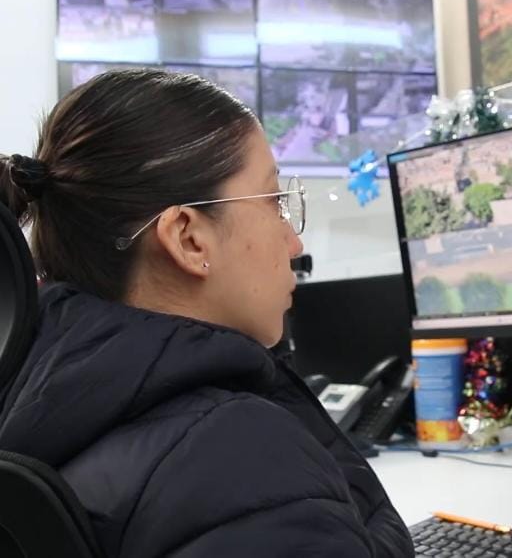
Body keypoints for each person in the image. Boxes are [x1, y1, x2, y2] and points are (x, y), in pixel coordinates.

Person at [0, 69, 413, 557]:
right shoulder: (244, 458)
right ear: (189, 239)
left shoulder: (40, 400)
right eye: (275, 202)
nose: (294, 243)